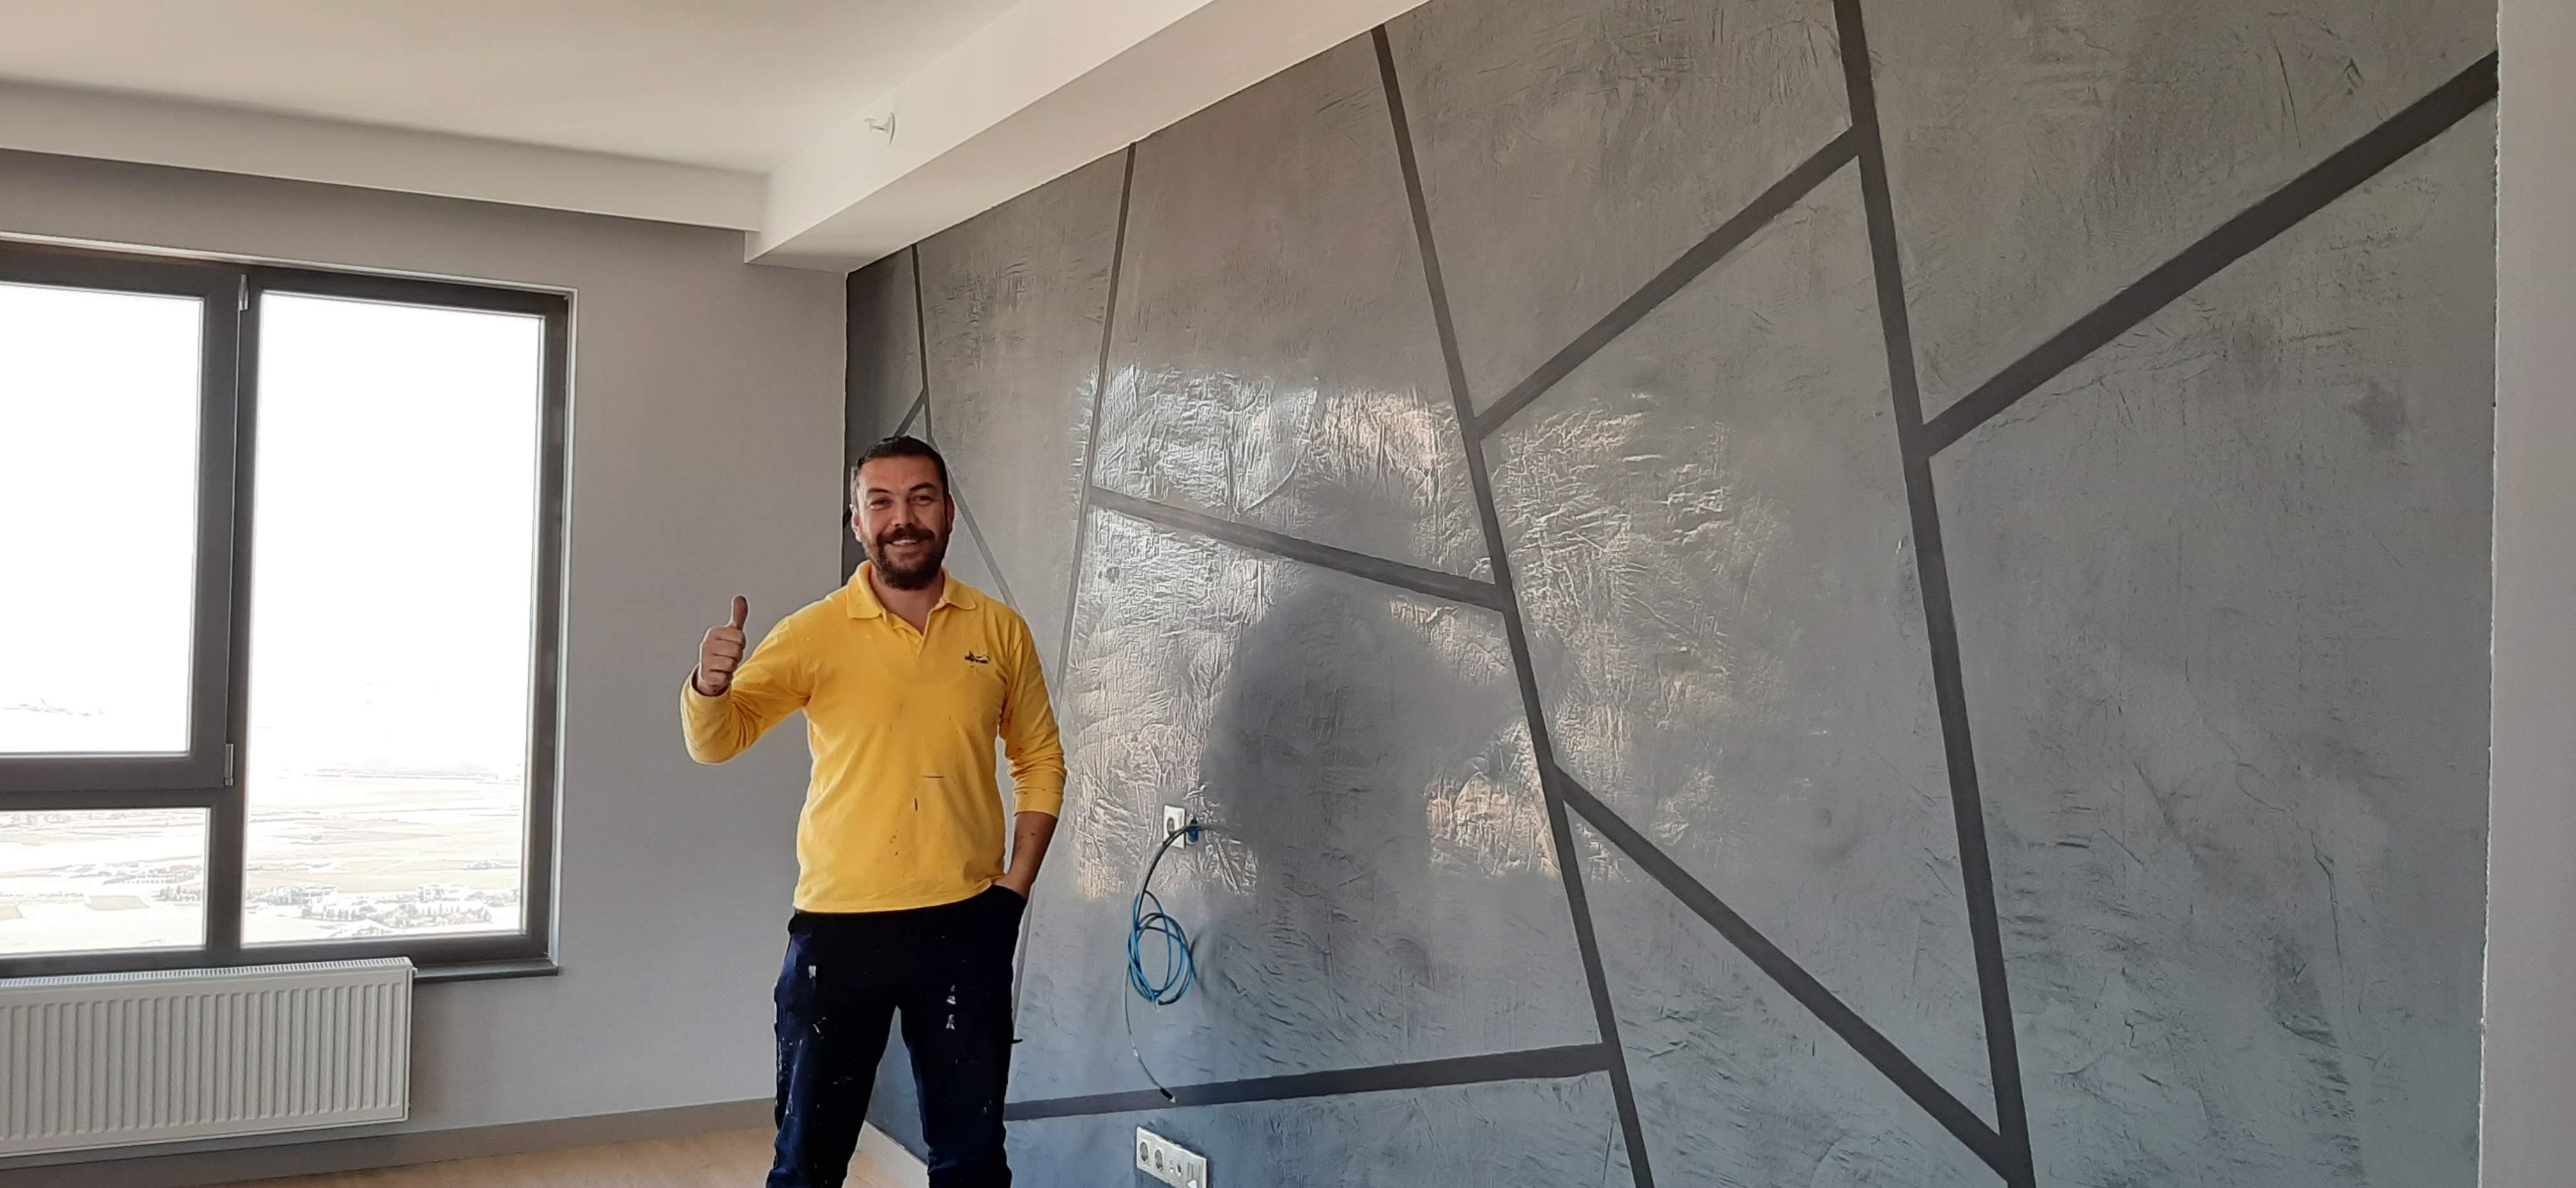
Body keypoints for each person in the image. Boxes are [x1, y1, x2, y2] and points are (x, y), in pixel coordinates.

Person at [680, 434, 1063, 1188]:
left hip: (966, 924)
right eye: (880, 502)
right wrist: (709, 686)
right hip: (840, 928)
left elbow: (1040, 760)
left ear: (948, 513)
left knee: (974, 1162)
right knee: (808, 1163)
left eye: (921, 498)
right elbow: (718, 742)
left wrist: (1014, 890)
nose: (903, 518)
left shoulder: (998, 630)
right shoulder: (815, 632)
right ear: (858, 522)